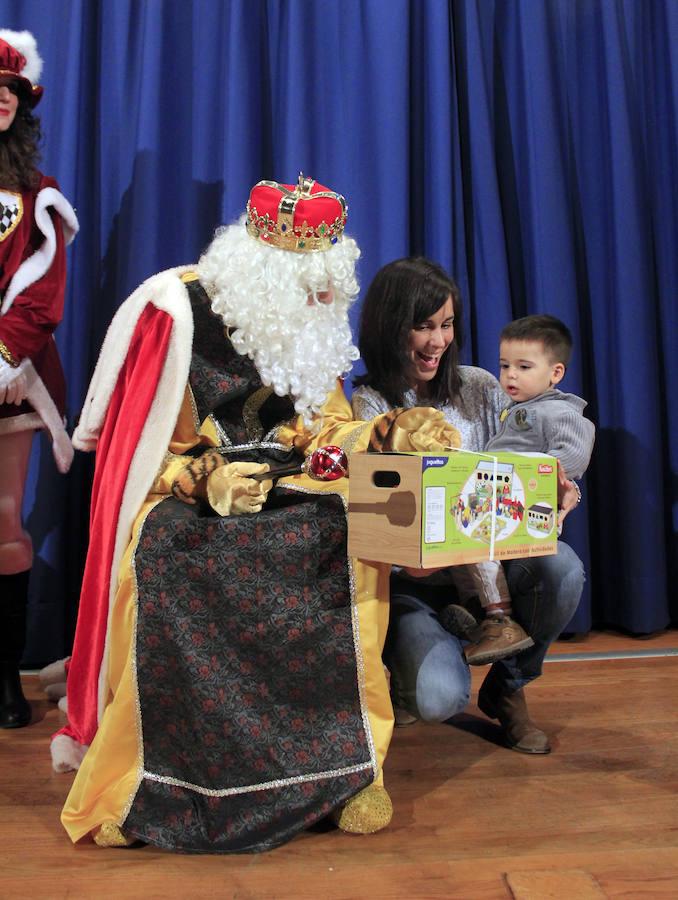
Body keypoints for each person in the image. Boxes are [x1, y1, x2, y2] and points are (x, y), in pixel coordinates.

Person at [55, 177, 460, 852]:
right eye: (305, 284)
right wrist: (200, 479)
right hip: (187, 495)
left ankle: (349, 772)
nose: (319, 300)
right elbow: (129, 455)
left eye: (325, 285)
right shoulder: (174, 312)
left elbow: (324, 436)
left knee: (347, 531)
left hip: (287, 484)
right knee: (179, 556)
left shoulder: (311, 324)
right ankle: (158, 783)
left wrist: (387, 436)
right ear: (262, 268)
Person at [352, 257, 585, 754]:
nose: (439, 341)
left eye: (448, 324)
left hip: (492, 572)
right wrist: (407, 558)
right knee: (439, 698)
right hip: (418, 585)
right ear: (390, 326)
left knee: (563, 569)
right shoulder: (368, 406)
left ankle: (509, 688)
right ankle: (406, 675)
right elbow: (372, 514)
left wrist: (559, 483)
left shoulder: (480, 385)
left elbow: (525, 455)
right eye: (423, 326)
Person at [0, 29, 78, 729]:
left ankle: (4, 683)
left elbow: (43, 293)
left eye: (7, 93)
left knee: (1, 523)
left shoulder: (38, 198)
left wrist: (2, 356)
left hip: (9, 382)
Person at [445, 313, 595, 666]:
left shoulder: (558, 411)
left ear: (555, 373)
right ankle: (477, 610)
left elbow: (572, 454)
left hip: (519, 507)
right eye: (505, 365)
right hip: (496, 498)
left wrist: (540, 472)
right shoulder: (517, 410)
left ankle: (499, 618)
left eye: (524, 366)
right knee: (457, 544)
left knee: (474, 539)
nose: (511, 375)